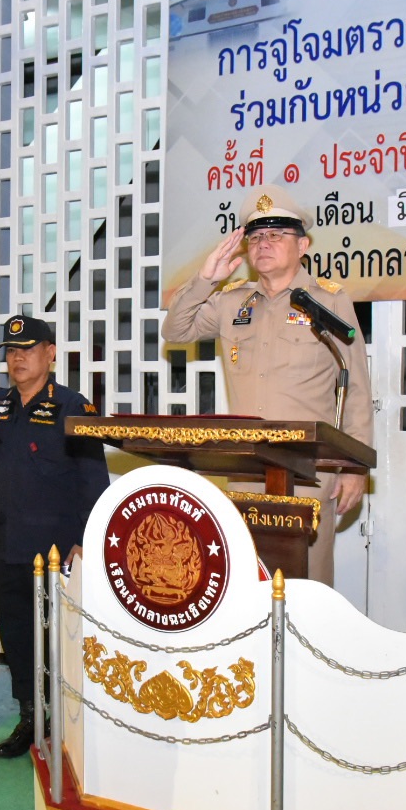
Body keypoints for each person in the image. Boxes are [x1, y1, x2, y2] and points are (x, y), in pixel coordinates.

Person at [160, 194, 374, 585]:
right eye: (256, 237)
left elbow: (356, 384)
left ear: (302, 245)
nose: (263, 244)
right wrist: (206, 279)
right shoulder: (232, 301)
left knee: (306, 582)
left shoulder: (327, 301)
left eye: (276, 235)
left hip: (309, 472)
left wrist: (354, 467)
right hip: (247, 469)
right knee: (247, 580)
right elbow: (175, 330)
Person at [0, 314, 109, 758]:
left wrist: (85, 540)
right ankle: (31, 717)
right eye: (11, 351)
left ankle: (69, 724)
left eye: (28, 349)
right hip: (6, 543)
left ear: (50, 353)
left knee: (60, 639)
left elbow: (93, 479)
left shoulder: (72, 406)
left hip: (56, 549)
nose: (18, 358)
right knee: (17, 638)